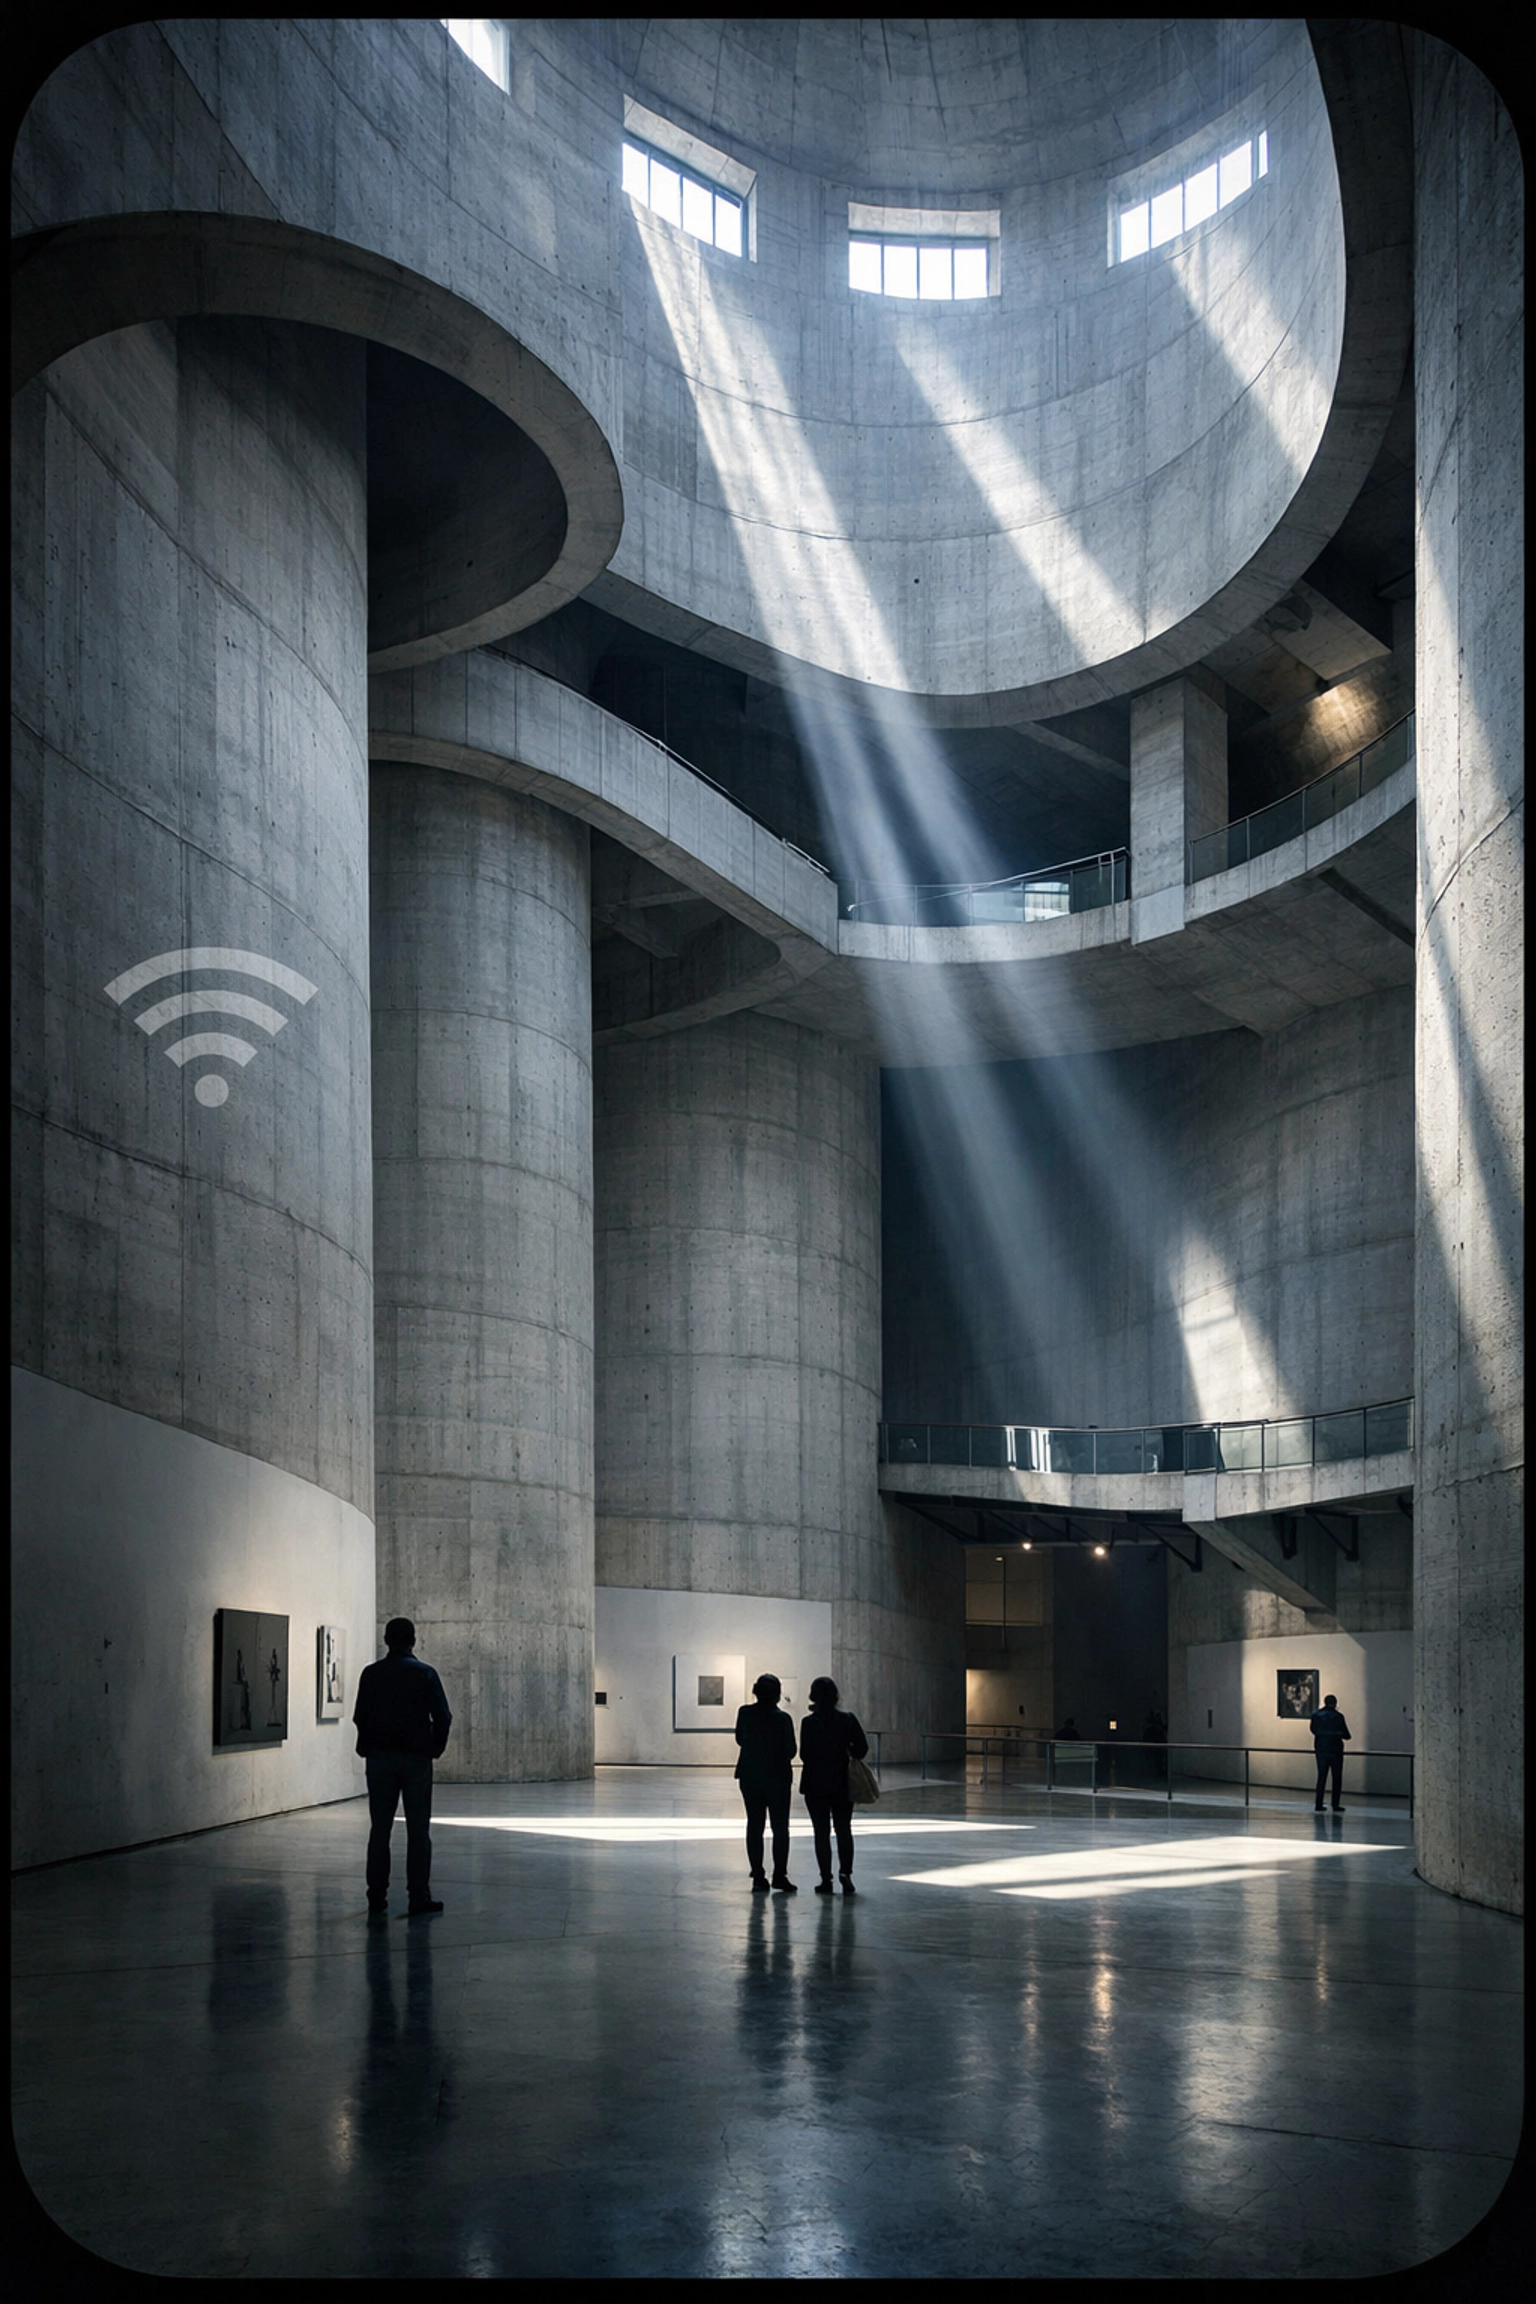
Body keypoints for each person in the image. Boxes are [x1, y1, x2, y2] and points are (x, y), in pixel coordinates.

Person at [353, 1617, 453, 1917]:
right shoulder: (425, 1674)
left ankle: (376, 1896)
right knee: (418, 1830)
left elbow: (361, 1716)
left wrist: (366, 1746)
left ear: (386, 1639)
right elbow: (443, 1717)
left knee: (380, 1829)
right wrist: (433, 1749)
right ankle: (418, 1896)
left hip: (380, 1759)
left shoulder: (371, 1674)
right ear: (413, 1640)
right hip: (415, 1760)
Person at [798, 1676, 869, 1895]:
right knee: (843, 1829)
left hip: (815, 1784)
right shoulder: (848, 1719)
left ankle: (825, 1879)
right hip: (842, 1782)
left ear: (813, 1696)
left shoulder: (809, 1723)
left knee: (821, 1832)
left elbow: (804, 1755)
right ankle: (845, 1873)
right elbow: (862, 1749)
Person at [734, 1673, 798, 1892]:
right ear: (778, 1694)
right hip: (778, 1777)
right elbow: (791, 1751)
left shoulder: (744, 1713)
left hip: (750, 1775)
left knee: (755, 1824)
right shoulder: (783, 1719)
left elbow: (740, 1739)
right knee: (780, 1828)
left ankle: (758, 1875)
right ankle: (779, 1875)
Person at [1309, 1692, 1351, 1812]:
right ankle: (1335, 1804)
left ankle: (1318, 1803)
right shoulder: (1338, 1716)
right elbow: (1347, 1735)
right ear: (1335, 1703)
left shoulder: (1316, 1715)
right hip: (1336, 1750)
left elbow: (1313, 1730)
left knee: (1321, 1777)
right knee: (1336, 1778)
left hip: (1321, 1750)